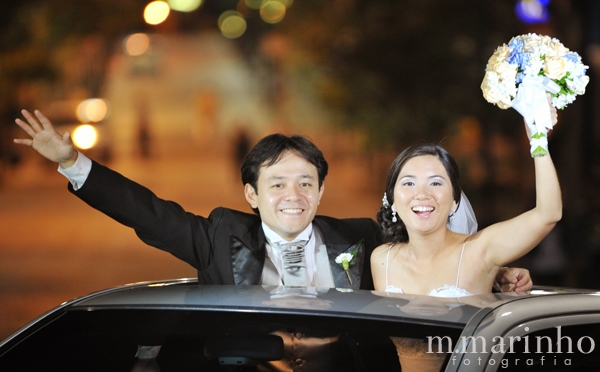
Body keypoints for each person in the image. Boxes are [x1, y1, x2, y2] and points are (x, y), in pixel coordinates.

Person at [13, 109, 532, 371]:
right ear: (251, 194)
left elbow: (431, 247)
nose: (293, 195)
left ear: (322, 190)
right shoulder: (220, 235)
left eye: (306, 182)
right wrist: (70, 162)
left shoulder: (362, 239)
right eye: (277, 183)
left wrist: (496, 272)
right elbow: (146, 213)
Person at [370, 97, 561, 372]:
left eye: (436, 183)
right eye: (408, 183)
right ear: (392, 199)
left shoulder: (480, 251)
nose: (422, 194)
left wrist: (538, 141)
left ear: (455, 200)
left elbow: (548, 213)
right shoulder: (381, 259)